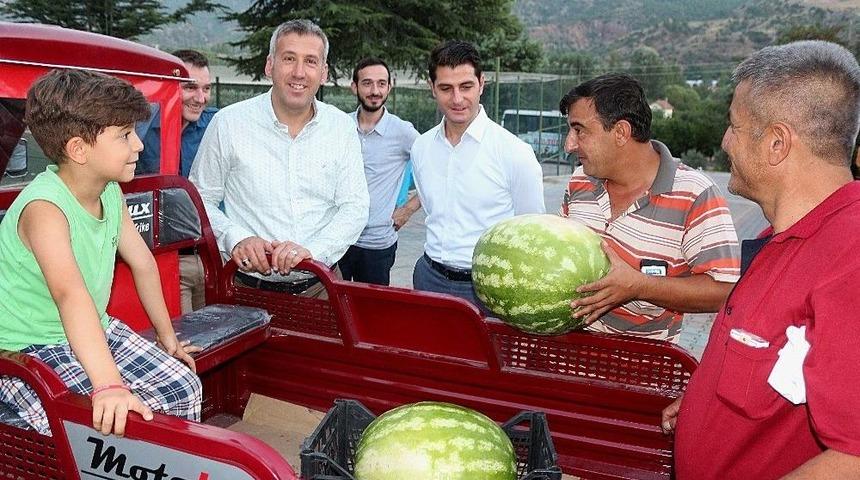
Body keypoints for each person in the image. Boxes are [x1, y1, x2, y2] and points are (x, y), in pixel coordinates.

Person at [662, 41, 860, 478]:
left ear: (776, 144)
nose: (724, 141)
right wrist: (707, 403)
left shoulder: (851, 261)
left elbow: (853, 459)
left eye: (733, 125)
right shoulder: (779, 237)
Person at [0, 69, 202, 436]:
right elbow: (70, 295)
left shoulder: (109, 191)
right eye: (125, 135)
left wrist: (166, 335)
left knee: (183, 386)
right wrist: (109, 385)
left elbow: (142, 262)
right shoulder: (45, 210)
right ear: (79, 149)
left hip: (94, 328)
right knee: (87, 422)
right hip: (28, 348)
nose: (139, 145)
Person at [190, 20, 369, 297]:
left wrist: (313, 252)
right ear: (269, 66)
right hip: (245, 289)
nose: (299, 72)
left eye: (310, 61)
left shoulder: (341, 128)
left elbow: (355, 207)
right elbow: (200, 199)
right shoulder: (228, 123)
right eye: (289, 59)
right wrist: (237, 238)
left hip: (322, 288)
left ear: (323, 73)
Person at [558, 74, 740, 343]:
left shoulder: (695, 193)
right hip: (565, 359)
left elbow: (725, 290)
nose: (569, 144)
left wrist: (639, 286)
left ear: (621, 132)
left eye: (579, 130)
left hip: (644, 372)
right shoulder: (579, 181)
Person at [411, 40, 545, 309]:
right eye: (446, 88)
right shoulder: (421, 147)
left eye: (466, 86)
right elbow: (430, 211)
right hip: (428, 279)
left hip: (489, 289)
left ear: (482, 84)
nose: (457, 99)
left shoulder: (515, 152)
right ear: (432, 88)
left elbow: (533, 231)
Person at [138, 49, 216, 313]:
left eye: (206, 88)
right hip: (165, 258)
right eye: (191, 88)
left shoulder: (215, 127)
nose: (201, 98)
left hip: (212, 256)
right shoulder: (140, 131)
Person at [341, 58, 419, 285]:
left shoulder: (403, 132)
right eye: (367, 83)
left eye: (381, 84)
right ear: (354, 87)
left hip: (377, 244)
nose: (375, 91)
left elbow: (438, 170)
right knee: (334, 313)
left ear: (389, 87)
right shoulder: (339, 126)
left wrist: (408, 209)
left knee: (371, 314)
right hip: (338, 239)